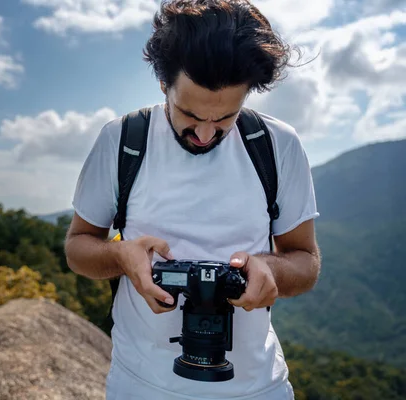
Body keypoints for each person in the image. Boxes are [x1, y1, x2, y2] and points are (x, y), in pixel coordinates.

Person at [64, 0, 321, 399]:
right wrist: (121, 257)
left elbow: (305, 261)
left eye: (224, 118)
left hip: (256, 388)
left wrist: (269, 270)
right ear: (164, 84)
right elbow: (78, 248)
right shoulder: (122, 141)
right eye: (189, 114)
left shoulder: (276, 146)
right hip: (141, 386)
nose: (204, 134)